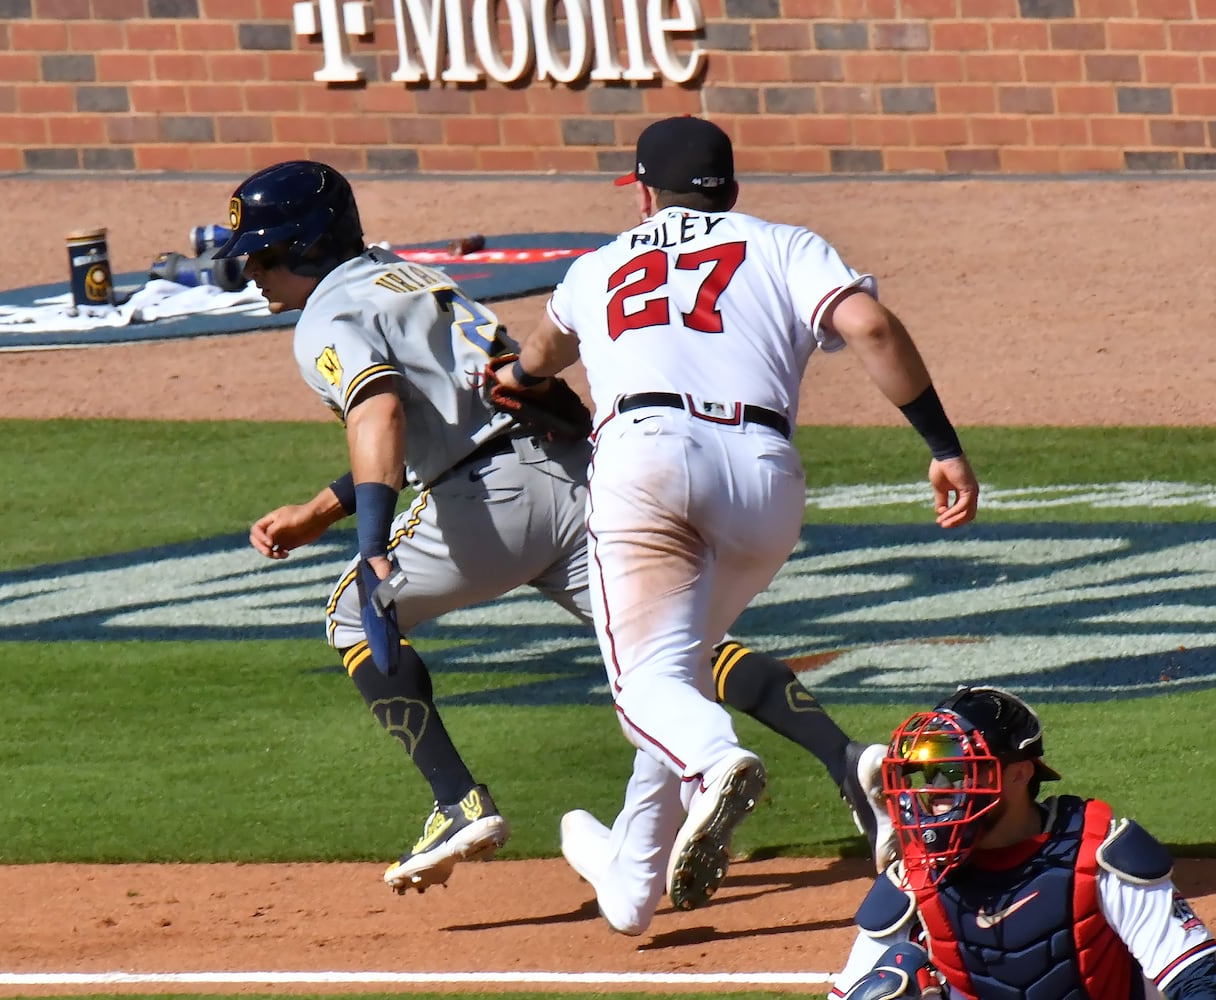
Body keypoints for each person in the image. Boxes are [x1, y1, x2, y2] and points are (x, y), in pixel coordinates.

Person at [213, 158, 895, 899]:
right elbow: (469, 404)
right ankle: (846, 759)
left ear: (308, 247)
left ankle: (457, 803)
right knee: (676, 648)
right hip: (579, 479)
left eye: (264, 254)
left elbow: (381, 412)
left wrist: (370, 545)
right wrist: (318, 510)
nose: (252, 270)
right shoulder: (409, 277)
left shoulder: (325, 315)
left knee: (352, 615)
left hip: (488, 506)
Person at [496, 114, 980, 934]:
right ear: (733, 187)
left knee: (642, 688)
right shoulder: (786, 244)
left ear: (643, 192)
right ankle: (630, 884)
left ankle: (717, 762)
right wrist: (942, 446)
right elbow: (868, 326)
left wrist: (510, 373)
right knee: (675, 673)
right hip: (763, 480)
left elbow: (539, 359)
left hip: (645, 465)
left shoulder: (598, 266)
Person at [830, 686, 1216, 1000]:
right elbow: (846, 993)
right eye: (927, 774)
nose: (936, 791)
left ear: (1018, 775)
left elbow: (1199, 979)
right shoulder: (917, 875)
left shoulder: (1096, 857)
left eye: (953, 772)